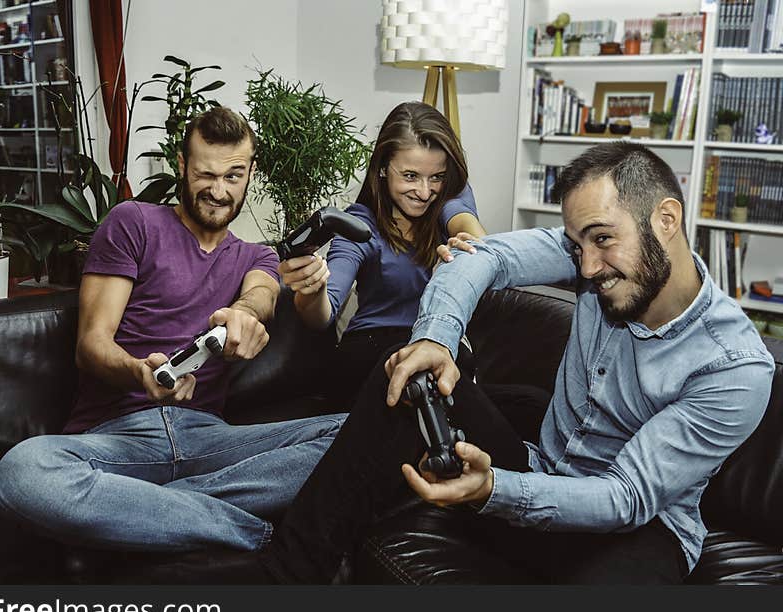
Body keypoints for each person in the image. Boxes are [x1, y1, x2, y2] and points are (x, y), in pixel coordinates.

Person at [251, 141, 775, 584]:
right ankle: (281, 583)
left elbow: (625, 497)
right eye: (577, 244)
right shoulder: (591, 254)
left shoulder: (734, 368)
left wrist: (495, 490)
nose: (588, 266)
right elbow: (485, 257)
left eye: (603, 239)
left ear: (666, 219)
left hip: (637, 531)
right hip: (537, 468)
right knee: (408, 370)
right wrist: (437, 338)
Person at [0, 107, 346, 553]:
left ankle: (148, 511)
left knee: (361, 431)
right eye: (205, 174)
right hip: (117, 440)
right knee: (22, 472)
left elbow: (259, 296)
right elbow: (91, 344)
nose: (219, 191)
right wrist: (139, 372)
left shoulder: (257, 257)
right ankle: (255, 535)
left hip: (208, 442)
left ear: (251, 171)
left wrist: (243, 314)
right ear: (181, 165)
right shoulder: (133, 222)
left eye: (234, 176)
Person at [278, 101, 486, 410]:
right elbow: (322, 314)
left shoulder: (448, 199)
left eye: (437, 177)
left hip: (436, 343)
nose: (425, 191)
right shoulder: (360, 222)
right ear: (384, 168)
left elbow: (461, 217)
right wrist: (312, 287)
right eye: (411, 176)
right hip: (370, 350)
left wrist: (477, 246)